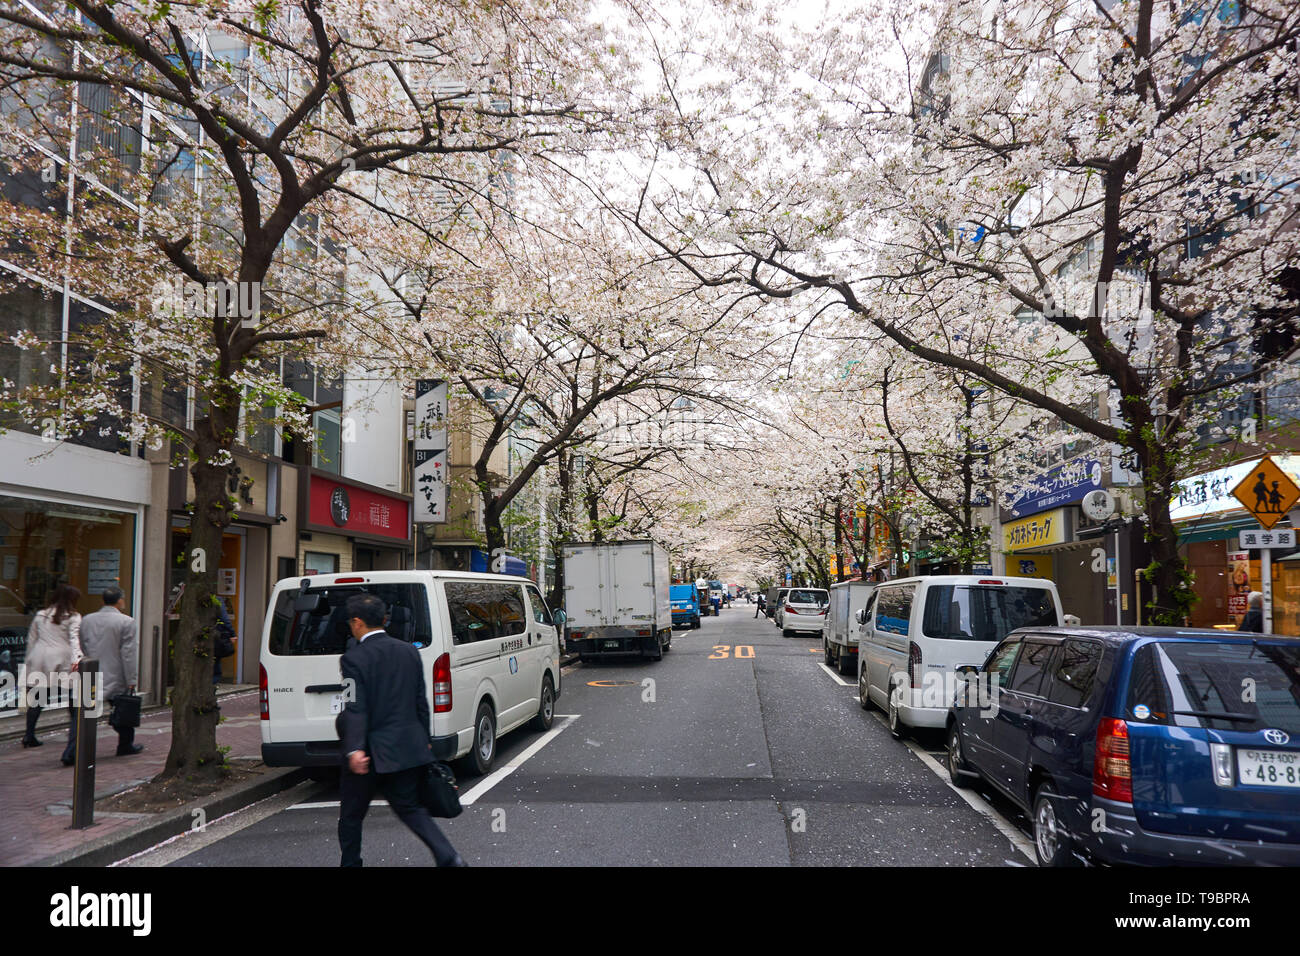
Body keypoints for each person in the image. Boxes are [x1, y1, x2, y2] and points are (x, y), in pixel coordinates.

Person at [337, 593, 465, 868]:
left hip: (370, 752)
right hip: (408, 746)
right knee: (410, 808)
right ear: (383, 620)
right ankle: (449, 857)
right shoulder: (408, 651)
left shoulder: (353, 659)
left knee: (351, 816)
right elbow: (421, 700)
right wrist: (425, 739)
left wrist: (354, 748)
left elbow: (354, 707)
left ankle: (350, 865)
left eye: (351, 621)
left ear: (358, 622)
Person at [64, 587, 141, 762]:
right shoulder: (126, 622)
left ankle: (71, 751)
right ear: (120, 600)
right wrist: (132, 679)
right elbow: (128, 653)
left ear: (102, 601)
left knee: (82, 713)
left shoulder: (88, 620)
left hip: (90, 671)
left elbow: (82, 644)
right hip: (115, 672)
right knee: (123, 710)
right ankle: (125, 745)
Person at [20, 584, 82, 750]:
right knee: (72, 694)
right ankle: (75, 733)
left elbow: (31, 639)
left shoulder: (41, 615)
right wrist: (77, 659)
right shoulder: (73, 616)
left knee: (38, 697)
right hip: (61, 657)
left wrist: (28, 661)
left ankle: (29, 734)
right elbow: (75, 639)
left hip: (39, 655)